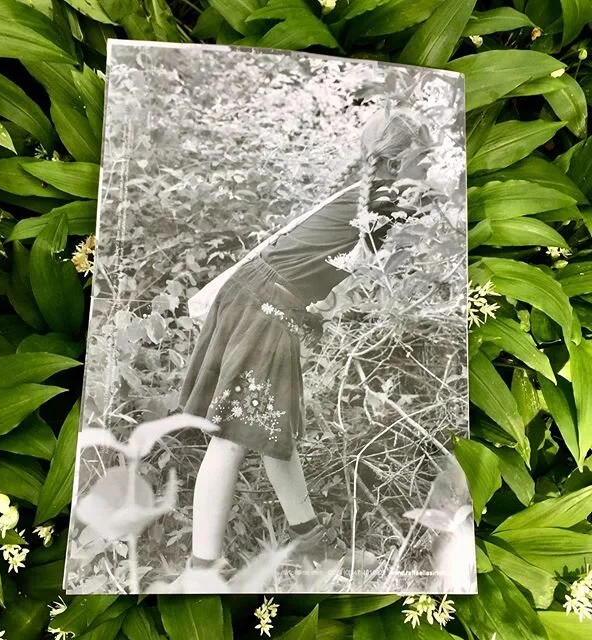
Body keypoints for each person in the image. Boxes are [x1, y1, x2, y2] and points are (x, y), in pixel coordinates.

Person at [175, 107, 433, 588]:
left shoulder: (367, 195)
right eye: (425, 158)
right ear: (397, 162)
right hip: (264, 304)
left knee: (276, 428)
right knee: (231, 437)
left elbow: (321, 256)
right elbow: (416, 226)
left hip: (263, 299)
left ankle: (310, 548)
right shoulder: (384, 198)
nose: (430, 168)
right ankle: (201, 571)